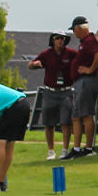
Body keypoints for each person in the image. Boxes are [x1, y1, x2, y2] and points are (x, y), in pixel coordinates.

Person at [28, 32, 77, 160]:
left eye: (62, 38)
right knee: (49, 122)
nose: (60, 40)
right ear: (53, 40)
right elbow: (31, 64)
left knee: (66, 121)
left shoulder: (71, 53)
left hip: (66, 91)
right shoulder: (46, 54)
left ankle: (65, 150)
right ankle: (51, 151)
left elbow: (81, 61)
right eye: (57, 38)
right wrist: (34, 65)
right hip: (50, 91)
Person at [66, 16, 98, 158]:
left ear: (79, 28)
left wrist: (90, 69)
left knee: (86, 115)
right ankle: (76, 148)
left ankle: (88, 148)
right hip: (80, 82)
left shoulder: (88, 41)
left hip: (86, 81)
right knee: (76, 116)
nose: (74, 33)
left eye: (74, 30)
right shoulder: (86, 42)